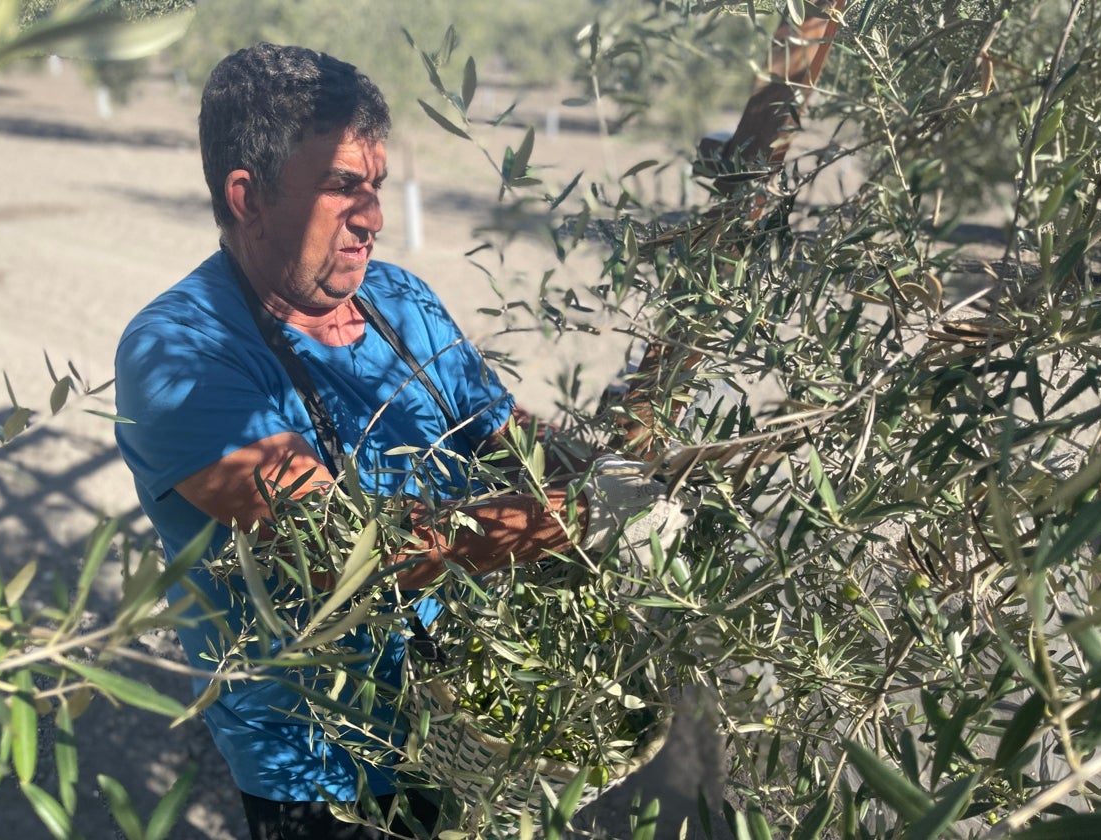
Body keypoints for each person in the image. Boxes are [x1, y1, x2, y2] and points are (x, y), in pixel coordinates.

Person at [114, 42, 688, 840]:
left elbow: (499, 431)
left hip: (464, 716)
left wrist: (598, 466)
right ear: (247, 196)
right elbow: (342, 554)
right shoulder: (179, 354)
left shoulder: (401, 299)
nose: (374, 217)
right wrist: (579, 518)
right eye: (342, 187)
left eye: (376, 187)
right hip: (323, 759)